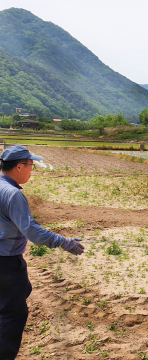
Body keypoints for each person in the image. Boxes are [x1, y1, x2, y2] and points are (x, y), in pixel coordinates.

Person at [0, 145, 84, 360]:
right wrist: (63, 241)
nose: (32, 169)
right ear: (19, 166)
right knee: (11, 316)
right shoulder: (12, 194)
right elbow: (31, 230)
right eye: (31, 165)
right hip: (6, 265)